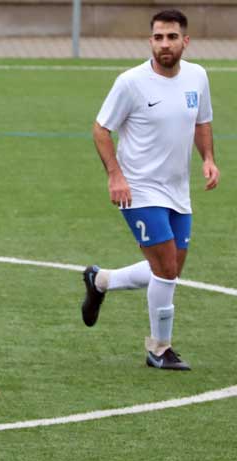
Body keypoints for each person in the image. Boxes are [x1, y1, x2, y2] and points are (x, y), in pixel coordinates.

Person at [83, 9, 219, 370]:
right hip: (138, 188)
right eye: (158, 37)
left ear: (185, 41)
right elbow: (101, 129)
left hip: (178, 188)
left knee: (170, 269)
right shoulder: (131, 82)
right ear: (150, 41)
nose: (165, 44)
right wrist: (115, 175)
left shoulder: (197, 77)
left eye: (172, 37)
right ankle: (159, 348)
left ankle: (101, 281)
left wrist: (208, 158)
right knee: (165, 270)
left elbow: (202, 121)